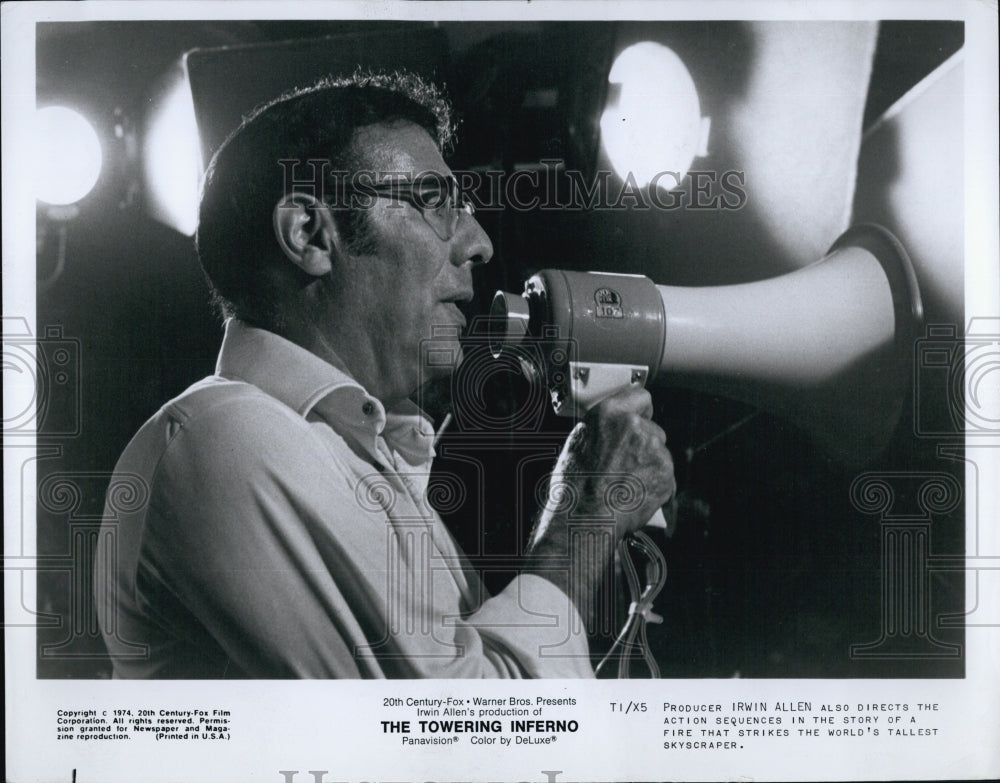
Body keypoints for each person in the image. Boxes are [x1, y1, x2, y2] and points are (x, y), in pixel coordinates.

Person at [95, 71, 675, 678]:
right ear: (311, 235)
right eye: (434, 202)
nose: (479, 245)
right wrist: (586, 519)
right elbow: (466, 742)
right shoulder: (226, 434)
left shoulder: (361, 452)